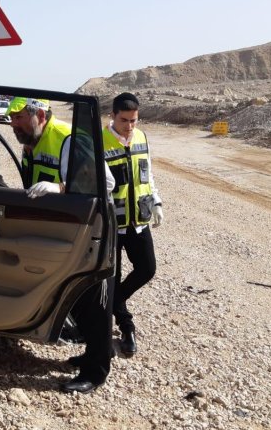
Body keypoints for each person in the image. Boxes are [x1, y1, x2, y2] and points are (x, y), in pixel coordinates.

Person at [6, 96, 114, 394]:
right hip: (64, 230)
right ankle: (92, 353)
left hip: (90, 232)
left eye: (18, 118)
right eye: (11, 119)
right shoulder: (33, 142)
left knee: (94, 302)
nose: (13, 124)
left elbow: (105, 183)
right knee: (75, 300)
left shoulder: (67, 139)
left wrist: (60, 188)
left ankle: (96, 370)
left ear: (39, 114)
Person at [103, 92, 163, 357]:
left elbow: (147, 175)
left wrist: (157, 202)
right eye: (124, 120)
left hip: (139, 220)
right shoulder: (100, 142)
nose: (129, 126)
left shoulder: (141, 137)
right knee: (109, 278)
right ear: (113, 116)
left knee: (147, 269)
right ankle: (125, 325)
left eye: (134, 120)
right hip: (113, 225)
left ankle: (117, 301)